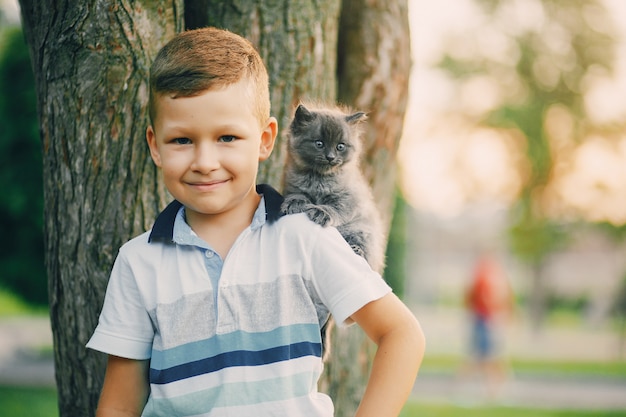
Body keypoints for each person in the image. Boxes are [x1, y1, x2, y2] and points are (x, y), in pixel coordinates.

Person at [86, 27, 425, 417]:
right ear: (154, 145)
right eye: (182, 140)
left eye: (227, 137)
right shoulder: (137, 262)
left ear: (266, 140)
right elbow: (119, 404)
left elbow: (402, 334)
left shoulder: (306, 236)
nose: (205, 161)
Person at [461, 252, 514, 399]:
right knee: (487, 356)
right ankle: (493, 391)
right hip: (485, 320)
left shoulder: (485, 277)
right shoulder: (485, 278)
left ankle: (494, 390)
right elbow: (487, 299)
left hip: (485, 320)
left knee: (483, 356)